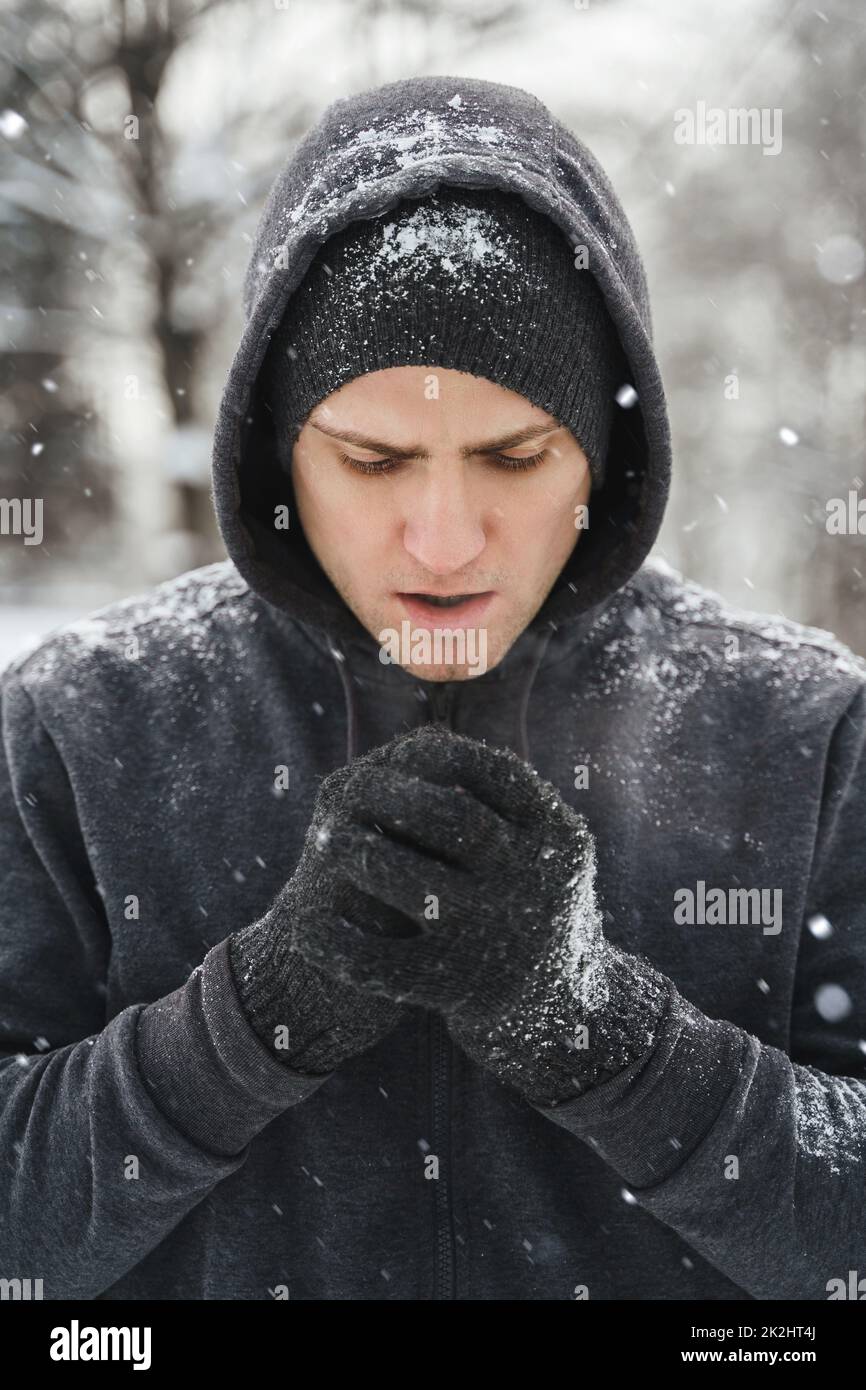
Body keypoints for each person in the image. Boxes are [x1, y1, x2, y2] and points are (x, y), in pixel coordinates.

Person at [1, 73, 864, 1303]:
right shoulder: (83, 723)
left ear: (604, 455)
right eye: (373, 459)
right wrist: (247, 1024)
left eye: (514, 455)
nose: (445, 540)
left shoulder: (801, 729)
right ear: (273, 449)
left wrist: (601, 1037)